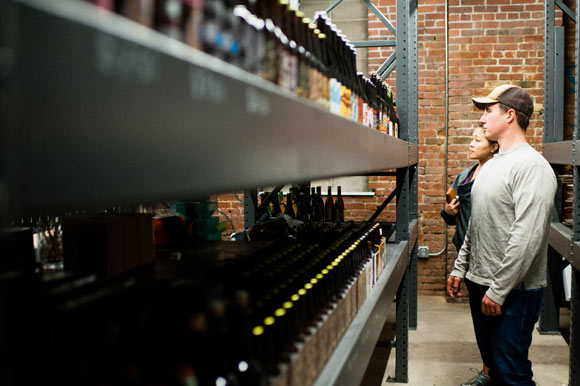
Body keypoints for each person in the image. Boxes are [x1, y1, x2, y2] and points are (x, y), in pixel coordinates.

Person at [447, 84, 557, 386]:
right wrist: (461, 268)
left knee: (512, 372)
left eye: (488, 110)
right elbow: (477, 225)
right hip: (480, 282)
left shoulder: (532, 167)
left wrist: (499, 289)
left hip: (514, 292)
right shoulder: (492, 166)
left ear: (510, 115)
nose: (483, 119)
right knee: (494, 367)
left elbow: (528, 238)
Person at [440, 127, 498, 386]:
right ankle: (488, 370)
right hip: (466, 252)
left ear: (494, 146)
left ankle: (495, 372)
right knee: (479, 318)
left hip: (489, 255)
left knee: (493, 317)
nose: (471, 144)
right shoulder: (465, 176)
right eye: (471, 139)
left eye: (478, 140)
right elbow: (451, 218)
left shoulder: (497, 174)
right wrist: (448, 211)